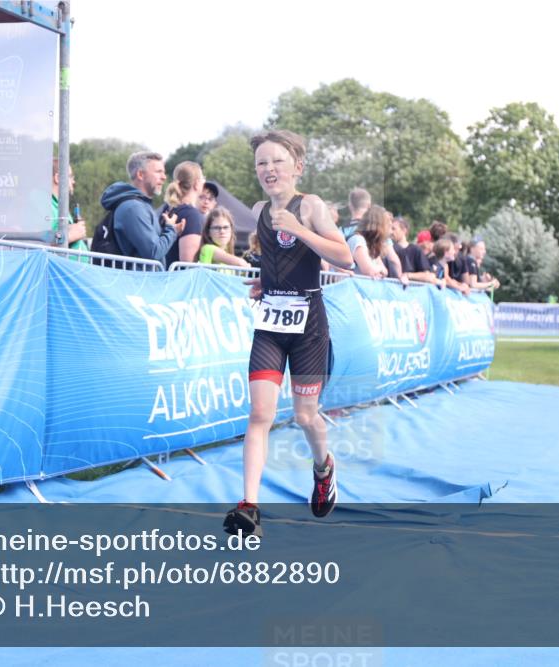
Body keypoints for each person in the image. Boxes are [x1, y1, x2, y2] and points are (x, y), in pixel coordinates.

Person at [223, 130, 353, 537]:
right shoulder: (259, 210)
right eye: (261, 163)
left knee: (304, 416)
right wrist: (266, 282)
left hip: (309, 327)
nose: (268, 169)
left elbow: (345, 258)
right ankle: (249, 507)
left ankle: (323, 467)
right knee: (259, 414)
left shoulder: (310, 205)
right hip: (271, 324)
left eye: (277, 161)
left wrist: (300, 229)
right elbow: (278, 258)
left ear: (297, 167)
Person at [97, 151, 184, 265]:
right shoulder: (133, 208)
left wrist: (170, 231)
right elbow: (153, 252)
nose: (164, 177)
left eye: (163, 172)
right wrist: (171, 230)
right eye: (158, 172)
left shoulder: (140, 205)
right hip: (134, 276)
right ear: (140, 175)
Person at [348, 205, 407, 284]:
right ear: (379, 226)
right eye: (388, 226)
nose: (390, 231)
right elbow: (369, 270)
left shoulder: (372, 245)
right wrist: (379, 269)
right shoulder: (357, 240)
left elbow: (385, 271)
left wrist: (378, 269)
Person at [163, 161, 206, 268]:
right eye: (203, 178)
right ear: (196, 184)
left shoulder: (168, 208)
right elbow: (188, 263)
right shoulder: (191, 215)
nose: (204, 181)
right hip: (177, 278)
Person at [50, 158, 89, 251]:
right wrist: (70, 235)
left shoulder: (58, 205)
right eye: (70, 177)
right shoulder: (44, 204)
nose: (73, 182)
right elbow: (39, 242)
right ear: (58, 178)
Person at [391, 216, 441, 287]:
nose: (391, 232)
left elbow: (428, 276)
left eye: (393, 229)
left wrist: (407, 275)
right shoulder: (389, 249)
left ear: (404, 230)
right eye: (390, 229)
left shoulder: (415, 250)